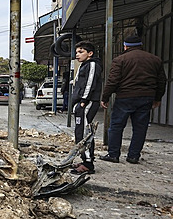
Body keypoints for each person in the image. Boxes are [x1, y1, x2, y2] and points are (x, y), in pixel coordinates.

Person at [100, 34, 167, 164]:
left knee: (116, 126)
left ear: (125, 46)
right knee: (140, 128)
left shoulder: (120, 60)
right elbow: (161, 81)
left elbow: (113, 81)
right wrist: (157, 98)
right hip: (146, 98)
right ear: (141, 46)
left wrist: (105, 97)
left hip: (125, 97)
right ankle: (133, 156)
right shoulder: (155, 60)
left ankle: (113, 154)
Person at [70, 41, 103, 175]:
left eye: (81, 52)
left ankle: (88, 164)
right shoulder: (84, 65)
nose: (77, 54)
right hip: (81, 103)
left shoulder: (93, 64)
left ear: (90, 53)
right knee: (80, 132)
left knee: (85, 132)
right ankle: (85, 160)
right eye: (77, 52)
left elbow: (90, 83)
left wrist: (83, 100)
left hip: (87, 103)